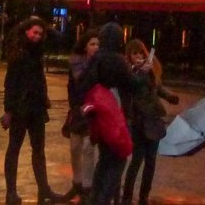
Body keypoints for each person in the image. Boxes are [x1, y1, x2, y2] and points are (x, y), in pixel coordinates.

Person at [3, 16, 61, 205]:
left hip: (36, 108)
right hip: (21, 108)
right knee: (14, 149)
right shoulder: (18, 53)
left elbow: (58, 39)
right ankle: (11, 191)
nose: (37, 36)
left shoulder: (37, 52)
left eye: (40, 33)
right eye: (34, 32)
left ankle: (44, 189)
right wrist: (9, 110)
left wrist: (45, 25)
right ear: (26, 31)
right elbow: (11, 84)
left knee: (39, 150)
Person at [82, 22, 136, 205]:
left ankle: (95, 198)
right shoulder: (118, 60)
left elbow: (83, 84)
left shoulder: (95, 59)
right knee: (119, 158)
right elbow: (131, 85)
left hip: (98, 115)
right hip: (115, 114)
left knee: (104, 158)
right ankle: (104, 199)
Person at [121, 39, 179, 205]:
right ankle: (126, 196)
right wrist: (140, 71)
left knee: (151, 161)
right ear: (129, 56)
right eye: (134, 53)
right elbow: (131, 87)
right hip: (139, 121)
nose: (138, 56)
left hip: (153, 119)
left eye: (140, 52)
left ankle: (144, 196)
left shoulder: (150, 70)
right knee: (137, 159)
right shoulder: (130, 72)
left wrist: (170, 96)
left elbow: (157, 87)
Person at [61, 33, 101, 203]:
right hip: (78, 109)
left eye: (98, 44)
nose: (96, 47)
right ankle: (77, 183)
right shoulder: (76, 64)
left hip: (93, 109)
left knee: (88, 148)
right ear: (85, 46)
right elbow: (73, 85)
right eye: (92, 44)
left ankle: (87, 186)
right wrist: (74, 107)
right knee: (75, 147)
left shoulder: (100, 65)